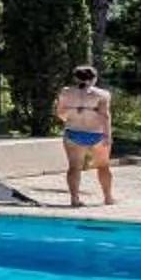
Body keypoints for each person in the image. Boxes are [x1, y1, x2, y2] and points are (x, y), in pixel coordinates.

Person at [54, 63, 115, 208]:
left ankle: (74, 199)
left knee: (74, 168)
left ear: (75, 78)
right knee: (103, 167)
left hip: (73, 133)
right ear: (94, 78)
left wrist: (71, 117)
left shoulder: (66, 92)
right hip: (97, 134)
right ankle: (108, 197)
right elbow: (105, 116)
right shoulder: (102, 94)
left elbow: (60, 113)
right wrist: (108, 135)